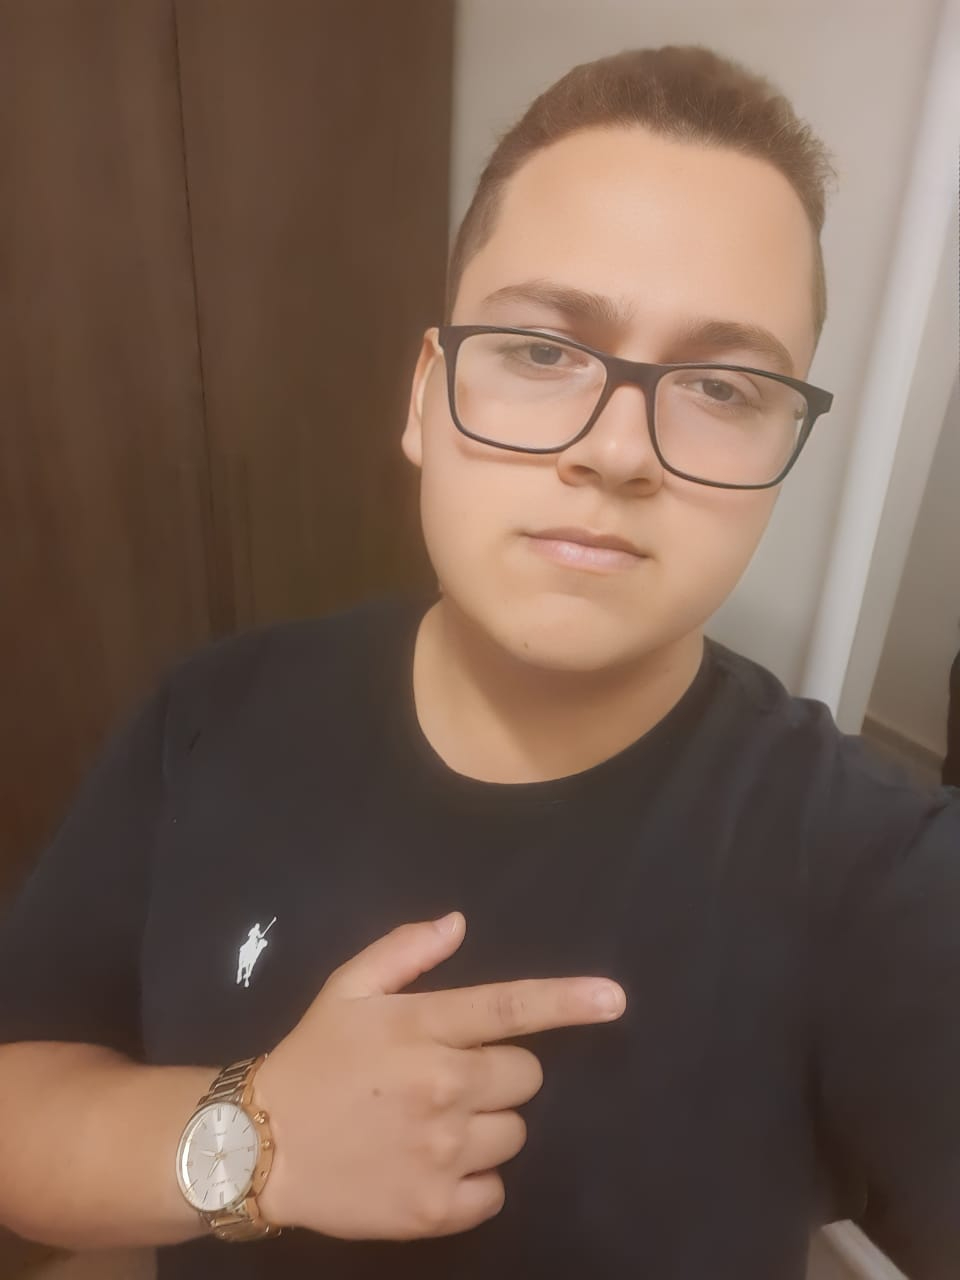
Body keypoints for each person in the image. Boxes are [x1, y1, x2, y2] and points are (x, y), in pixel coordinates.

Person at [0, 44, 958, 1280]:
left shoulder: (872, 874)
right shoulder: (210, 719)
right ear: (425, 396)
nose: (619, 450)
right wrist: (254, 1139)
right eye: (543, 350)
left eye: (721, 386)